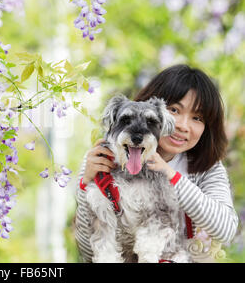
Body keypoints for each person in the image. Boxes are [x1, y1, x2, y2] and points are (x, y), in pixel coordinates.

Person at [74, 64, 239, 262]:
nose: (182, 126)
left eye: (197, 117)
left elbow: (226, 230)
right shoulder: (103, 159)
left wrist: (171, 175)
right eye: (174, 110)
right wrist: (85, 185)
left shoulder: (206, 169)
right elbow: (88, 250)